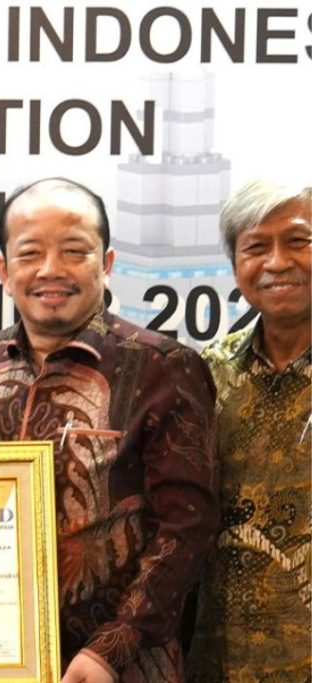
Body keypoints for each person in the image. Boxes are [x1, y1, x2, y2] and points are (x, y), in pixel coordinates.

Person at [0, 178, 218, 683]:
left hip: (119, 667)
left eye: (73, 251)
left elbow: (187, 528)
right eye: (30, 253)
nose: (51, 270)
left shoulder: (164, 366)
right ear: (4, 271)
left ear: (105, 263)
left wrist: (112, 648)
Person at [186, 181, 311, 683]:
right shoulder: (206, 371)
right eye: (256, 247)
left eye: (298, 241)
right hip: (220, 659)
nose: (277, 262)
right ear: (236, 265)